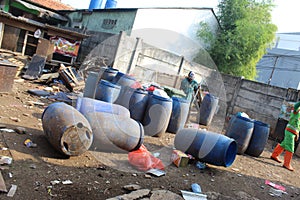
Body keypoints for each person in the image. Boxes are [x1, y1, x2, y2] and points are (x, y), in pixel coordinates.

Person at [271, 101, 300, 171]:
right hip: (289, 131)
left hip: (292, 132)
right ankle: (287, 164)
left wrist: (297, 134)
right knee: (290, 147)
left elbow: (297, 126)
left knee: (283, 144)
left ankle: (274, 155)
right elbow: (296, 106)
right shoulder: (296, 111)